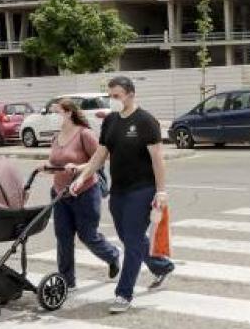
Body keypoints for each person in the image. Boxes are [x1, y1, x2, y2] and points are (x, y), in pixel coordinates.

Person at [70, 75, 174, 313]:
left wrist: (161, 191)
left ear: (130, 94)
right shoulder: (111, 122)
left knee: (133, 240)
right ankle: (161, 266)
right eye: (111, 96)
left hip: (142, 190)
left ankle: (123, 294)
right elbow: (100, 155)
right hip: (119, 192)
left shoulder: (146, 121)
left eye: (116, 96)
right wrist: (83, 176)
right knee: (130, 239)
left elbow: (157, 159)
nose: (113, 100)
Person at [44, 98, 120, 289]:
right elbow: (57, 162)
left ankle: (112, 255)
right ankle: (67, 282)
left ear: (68, 113)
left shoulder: (84, 134)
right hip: (60, 194)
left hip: (85, 192)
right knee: (63, 238)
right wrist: (48, 168)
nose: (52, 116)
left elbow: (101, 159)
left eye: (56, 112)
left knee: (88, 235)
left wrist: (78, 167)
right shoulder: (56, 136)